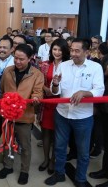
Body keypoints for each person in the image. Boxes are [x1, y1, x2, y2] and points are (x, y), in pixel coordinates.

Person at [44, 38, 105, 187]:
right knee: (59, 146)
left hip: (83, 116)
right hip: (62, 113)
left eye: (77, 51)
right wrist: (56, 84)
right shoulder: (64, 66)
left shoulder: (95, 67)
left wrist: (85, 92)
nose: (73, 54)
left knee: (83, 151)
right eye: (72, 50)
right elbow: (54, 91)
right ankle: (59, 173)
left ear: (87, 52)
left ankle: (80, 179)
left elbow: (99, 90)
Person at [0, 44, 44, 185]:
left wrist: (36, 99)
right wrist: (1, 108)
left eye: (21, 59)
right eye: (15, 58)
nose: (17, 61)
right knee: (7, 142)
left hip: (25, 115)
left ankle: (24, 171)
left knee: (25, 146)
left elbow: (38, 93)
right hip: (8, 115)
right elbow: (1, 91)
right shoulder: (7, 71)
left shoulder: (37, 74)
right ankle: (8, 166)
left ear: (30, 58)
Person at [38, 39, 70, 175]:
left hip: (61, 102)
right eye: (55, 49)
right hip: (47, 102)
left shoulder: (69, 65)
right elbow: (38, 81)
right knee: (45, 132)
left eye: (60, 50)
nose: (57, 52)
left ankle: (53, 160)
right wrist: (45, 88)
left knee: (58, 134)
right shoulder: (45, 64)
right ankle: (46, 159)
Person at [89, 28, 108, 187]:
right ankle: (106, 170)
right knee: (107, 142)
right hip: (104, 106)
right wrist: (106, 72)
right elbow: (99, 80)